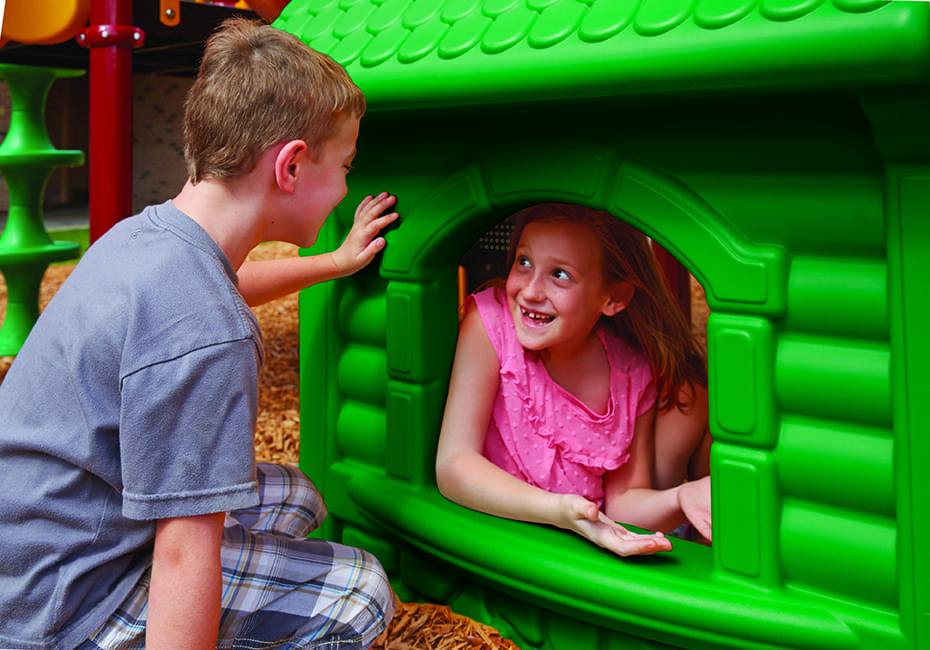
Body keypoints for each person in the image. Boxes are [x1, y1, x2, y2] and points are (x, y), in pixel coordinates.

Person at [0, 18, 398, 650]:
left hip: (30, 547)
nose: (347, 186)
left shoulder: (150, 239)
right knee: (361, 592)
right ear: (292, 166)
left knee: (295, 496)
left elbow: (221, 287)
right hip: (60, 607)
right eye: (345, 164)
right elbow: (185, 553)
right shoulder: (209, 333)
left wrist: (334, 263)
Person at [436, 203, 711, 558]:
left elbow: (624, 505)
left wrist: (681, 497)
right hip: (498, 548)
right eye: (524, 262)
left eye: (560, 275)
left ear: (614, 298)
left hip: (579, 560)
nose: (530, 291)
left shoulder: (631, 373)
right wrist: (559, 511)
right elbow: (454, 464)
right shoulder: (491, 323)